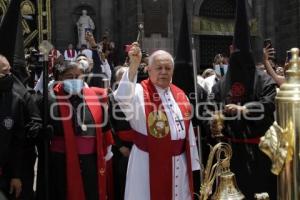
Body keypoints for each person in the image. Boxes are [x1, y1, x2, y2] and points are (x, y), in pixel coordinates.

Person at [209, 0, 277, 199]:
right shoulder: (220, 84)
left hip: (259, 153)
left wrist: (243, 109)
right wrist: (212, 120)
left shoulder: (264, 80)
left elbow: (268, 103)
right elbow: (210, 107)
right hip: (230, 154)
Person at [114, 44, 200, 200]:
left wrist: (193, 161)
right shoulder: (139, 92)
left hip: (179, 164)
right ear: (149, 69)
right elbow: (122, 97)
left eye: (168, 68)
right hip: (147, 164)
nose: (163, 72)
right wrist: (133, 65)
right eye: (159, 68)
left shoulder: (181, 95)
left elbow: (188, 132)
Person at [46, 61, 113, 200]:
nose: (75, 80)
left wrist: (106, 151)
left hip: (90, 160)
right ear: (61, 78)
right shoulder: (50, 99)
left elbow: (105, 127)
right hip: (62, 161)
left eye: (78, 76)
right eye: (69, 76)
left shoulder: (95, 97)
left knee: (91, 192)